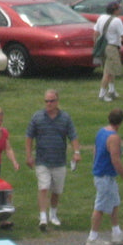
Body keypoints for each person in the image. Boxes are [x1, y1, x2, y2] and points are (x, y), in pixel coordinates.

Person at [25, 89, 81, 231]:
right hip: (42, 160)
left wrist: (76, 152)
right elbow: (29, 136)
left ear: (57, 102)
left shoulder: (65, 118)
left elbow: (73, 136)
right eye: (46, 101)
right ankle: (43, 216)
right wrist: (29, 155)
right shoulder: (37, 117)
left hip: (59, 161)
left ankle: (53, 214)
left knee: (56, 190)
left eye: (51, 101)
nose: (49, 103)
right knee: (43, 187)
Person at [86, 109, 123, 245]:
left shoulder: (101, 132)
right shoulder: (114, 138)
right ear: (121, 122)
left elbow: (95, 150)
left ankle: (116, 233)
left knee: (114, 203)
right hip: (105, 176)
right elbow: (116, 160)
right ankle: (92, 237)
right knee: (100, 207)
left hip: (104, 175)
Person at [95, 1, 123, 102]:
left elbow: (96, 33)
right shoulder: (117, 21)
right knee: (108, 72)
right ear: (115, 10)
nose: (120, 10)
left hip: (102, 47)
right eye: (119, 9)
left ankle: (112, 90)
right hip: (112, 47)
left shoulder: (101, 18)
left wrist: (96, 44)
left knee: (110, 69)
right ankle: (102, 94)